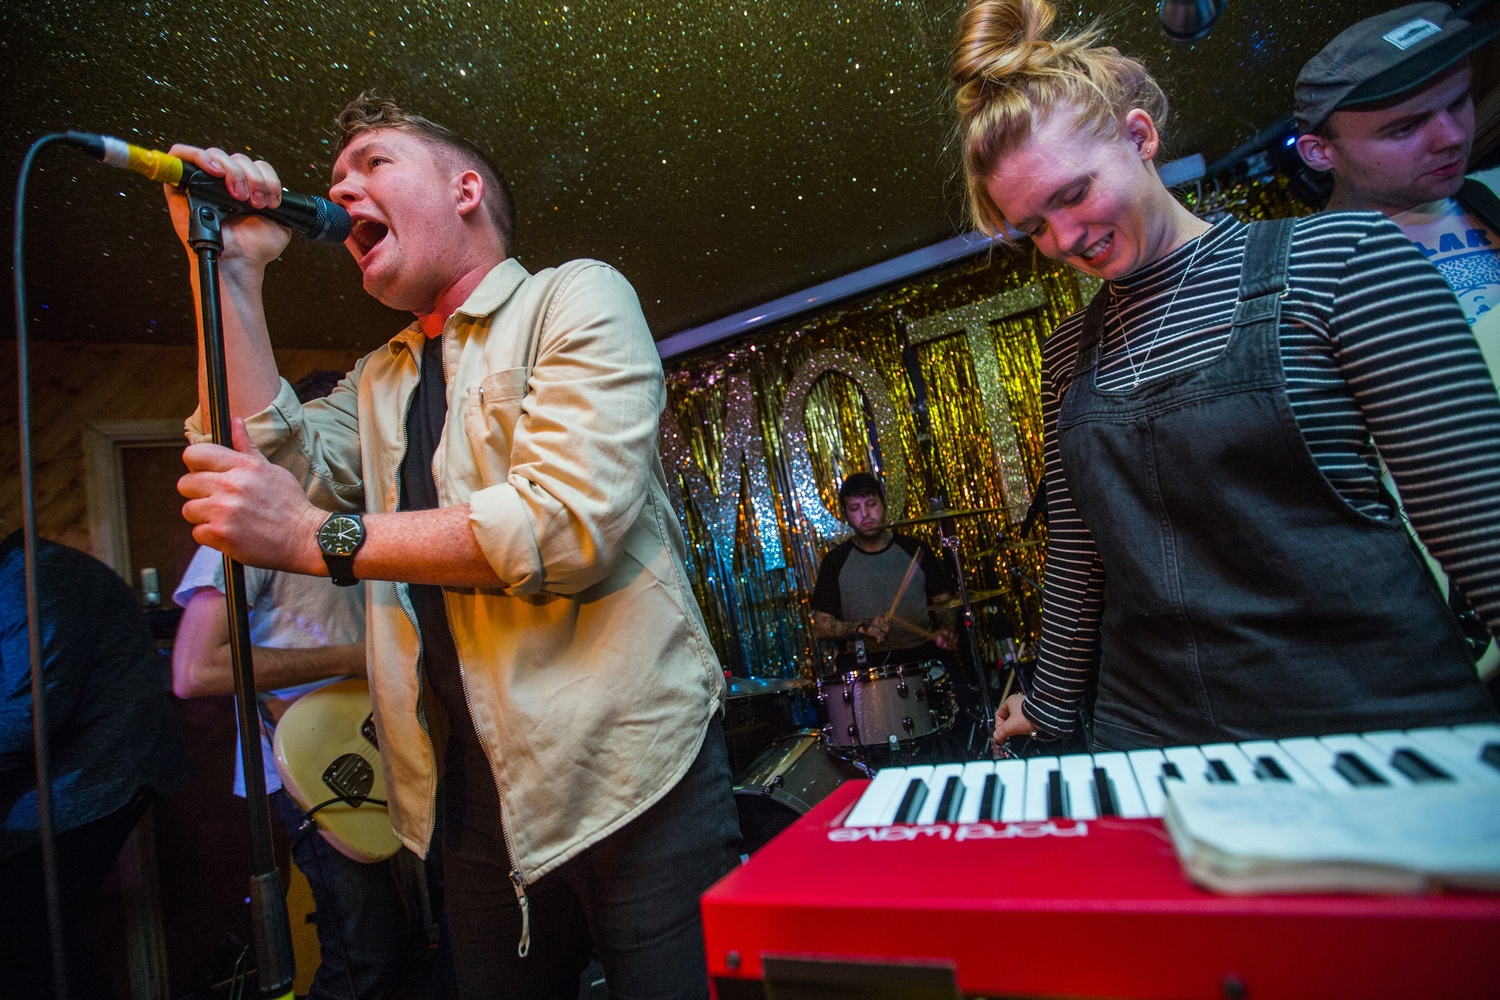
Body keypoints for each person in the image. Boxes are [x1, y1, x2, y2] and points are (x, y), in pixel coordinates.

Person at [164, 93, 738, 998]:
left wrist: (320, 539)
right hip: (466, 808)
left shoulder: (573, 297)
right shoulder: (379, 377)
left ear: (465, 188)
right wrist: (234, 272)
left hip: (631, 777)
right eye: (334, 179)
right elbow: (264, 461)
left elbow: (565, 522)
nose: (342, 188)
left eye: (373, 163)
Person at [949, 0, 1500, 750]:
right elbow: (1081, 559)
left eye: (1072, 194)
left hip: (1373, 725)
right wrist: (1046, 707)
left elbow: (1481, 522)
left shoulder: (1343, 261)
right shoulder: (1064, 356)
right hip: (1151, 739)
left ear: (1139, 137)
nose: (1065, 239)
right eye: (1035, 225)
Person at [172, 369, 421, 1000]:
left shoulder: (367, 519)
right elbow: (195, 669)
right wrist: (357, 656)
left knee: (411, 947)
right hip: (312, 764)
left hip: (384, 748)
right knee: (362, 960)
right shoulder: (243, 535)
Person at [0, 531, 191, 999]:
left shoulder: (37, 573)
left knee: (23, 943)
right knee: (30, 945)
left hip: (93, 779)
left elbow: (30, 714)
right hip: (67, 778)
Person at [1294, 4, 1500, 375]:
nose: (1452, 137)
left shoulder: (1492, 192)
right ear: (1320, 152)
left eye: (1458, 102)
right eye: (1405, 128)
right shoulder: (1304, 283)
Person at [810, 473, 958, 664]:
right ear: (845, 515)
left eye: (871, 504)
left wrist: (947, 629)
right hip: (866, 663)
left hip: (921, 654)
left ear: (884, 504)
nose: (865, 515)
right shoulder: (835, 561)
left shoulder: (916, 551)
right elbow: (821, 627)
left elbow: (944, 602)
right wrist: (862, 627)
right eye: (855, 508)